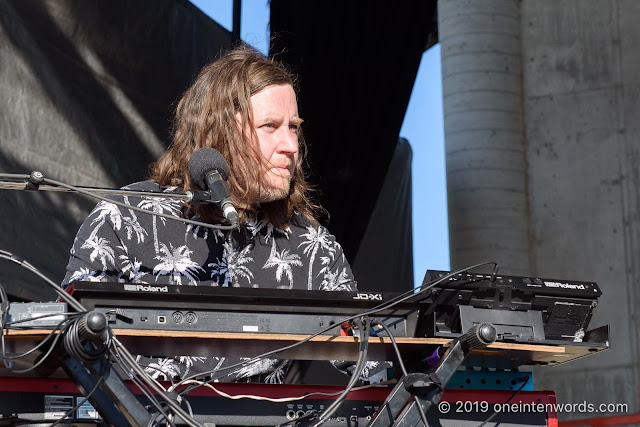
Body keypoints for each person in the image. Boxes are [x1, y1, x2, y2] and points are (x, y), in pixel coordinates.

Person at [62, 45, 383, 383]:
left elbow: (374, 359)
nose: (290, 145)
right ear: (219, 134)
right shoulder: (127, 215)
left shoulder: (310, 244)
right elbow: (71, 334)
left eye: (294, 127)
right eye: (271, 126)